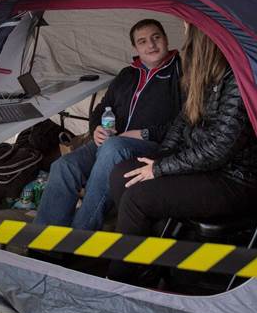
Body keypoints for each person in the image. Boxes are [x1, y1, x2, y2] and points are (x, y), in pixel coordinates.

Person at [107, 24, 257, 284]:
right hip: (204, 168)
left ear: (202, 43)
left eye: (187, 35)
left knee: (138, 198)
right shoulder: (202, 77)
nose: (184, 45)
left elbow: (218, 149)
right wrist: (160, 158)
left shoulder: (237, 78)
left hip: (235, 179)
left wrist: (159, 169)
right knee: (122, 174)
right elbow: (181, 123)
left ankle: (122, 279)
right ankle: (156, 256)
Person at [34, 19, 182, 231]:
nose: (151, 45)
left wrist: (143, 133)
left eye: (156, 37)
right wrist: (97, 130)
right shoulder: (127, 74)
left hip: (153, 146)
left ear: (166, 39)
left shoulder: (181, 73)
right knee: (64, 166)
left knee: (112, 149)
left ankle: (80, 236)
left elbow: (186, 121)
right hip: (112, 142)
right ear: (135, 48)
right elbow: (102, 108)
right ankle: (44, 241)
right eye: (142, 41)